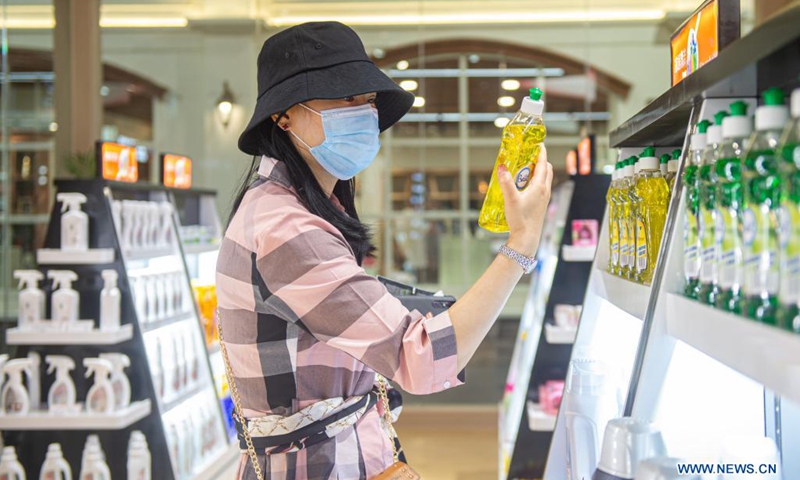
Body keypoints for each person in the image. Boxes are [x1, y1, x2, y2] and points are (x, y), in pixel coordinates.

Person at [217, 21, 553, 480]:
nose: (363, 112)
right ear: (284, 116)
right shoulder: (286, 228)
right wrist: (521, 243)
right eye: (344, 98)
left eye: (367, 99)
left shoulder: (291, 207)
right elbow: (422, 360)